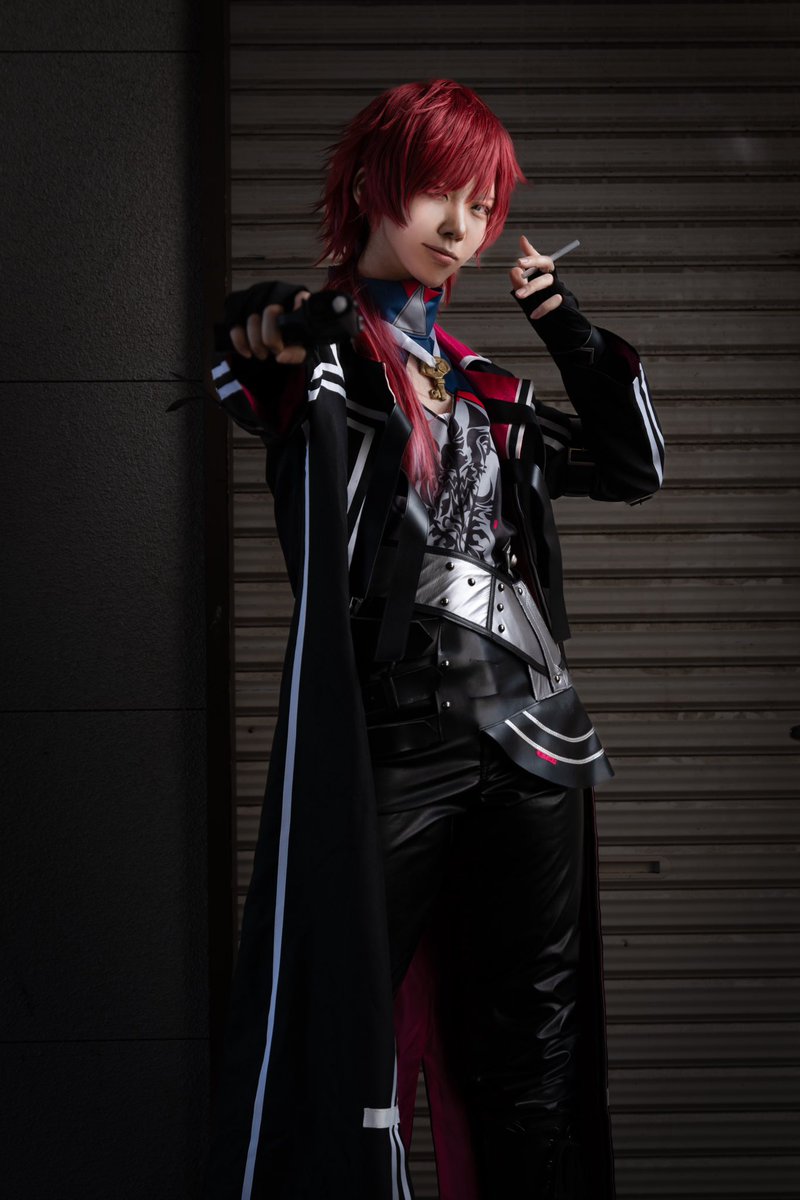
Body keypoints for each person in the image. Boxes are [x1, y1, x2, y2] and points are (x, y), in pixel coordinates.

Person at [202, 79, 664, 1200]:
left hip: (537, 745)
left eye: (482, 205)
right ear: (374, 184)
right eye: (436, 194)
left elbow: (632, 465)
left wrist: (565, 327)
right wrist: (267, 323)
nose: (460, 227)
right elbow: (248, 365)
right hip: (395, 745)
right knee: (344, 1032)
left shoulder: (486, 388)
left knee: (531, 1055)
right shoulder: (328, 359)